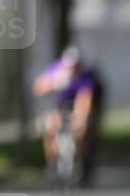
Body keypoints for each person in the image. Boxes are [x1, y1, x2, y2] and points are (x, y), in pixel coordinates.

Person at [32, 46, 105, 186]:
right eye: (70, 66)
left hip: (77, 107)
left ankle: (84, 163)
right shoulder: (56, 70)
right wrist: (54, 84)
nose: (72, 69)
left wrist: (79, 117)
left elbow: (84, 101)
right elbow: (38, 87)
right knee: (49, 128)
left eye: (75, 66)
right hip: (59, 107)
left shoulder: (86, 77)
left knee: (82, 130)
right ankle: (52, 165)